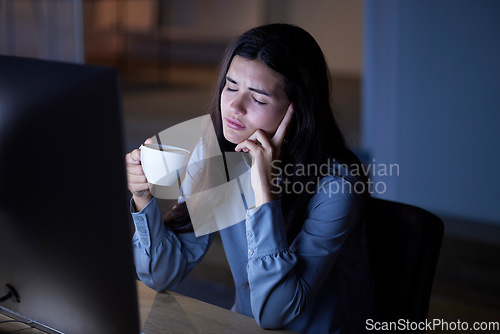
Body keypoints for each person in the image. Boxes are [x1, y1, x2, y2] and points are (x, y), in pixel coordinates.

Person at [126, 23, 376, 333]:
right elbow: (160, 275)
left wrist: (264, 192)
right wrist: (142, 197)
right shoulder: (218, 151)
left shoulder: (336, 186)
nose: (233, 106)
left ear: (297, 111)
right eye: (230, 86)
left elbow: (275, 315)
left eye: (257, 99)